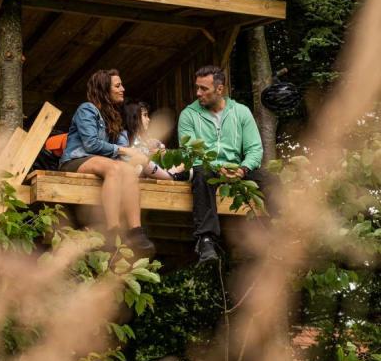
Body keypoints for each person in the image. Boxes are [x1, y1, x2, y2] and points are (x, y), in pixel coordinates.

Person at [60, 69, 155, 257]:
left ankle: (136, 232)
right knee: (113, 168)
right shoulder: (87, 109)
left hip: (103, 162)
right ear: (104, 88)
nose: (123, 89)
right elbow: (91, 144)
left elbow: (122, 152)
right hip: (76, 160)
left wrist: (139, 158)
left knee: (127, 170)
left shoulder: (114, 116)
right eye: (118, 85)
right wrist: (123, 150)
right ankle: (112, 231)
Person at [178, 65, 263, 265]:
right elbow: (189, 153)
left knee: (272, 180)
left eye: (203, 89)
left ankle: (281, 233)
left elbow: (255, 149)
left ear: (219, 89)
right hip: (207, 167)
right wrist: (218, 167)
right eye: (197, 88)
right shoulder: (188, 115)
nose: (198, 93)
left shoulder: (241, 112)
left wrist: (243, 169)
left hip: (238, 169)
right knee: (202, 173)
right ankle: (206, 240)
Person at [123, 100, 175, 180]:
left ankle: (173, 174)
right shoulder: (124, 136)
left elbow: (158, 163)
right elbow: (127, 162)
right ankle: (172, 175)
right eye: (145, 115)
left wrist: (162, 153)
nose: (149, 119)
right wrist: (150, 154)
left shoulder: (149, 140)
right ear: (134, 116)